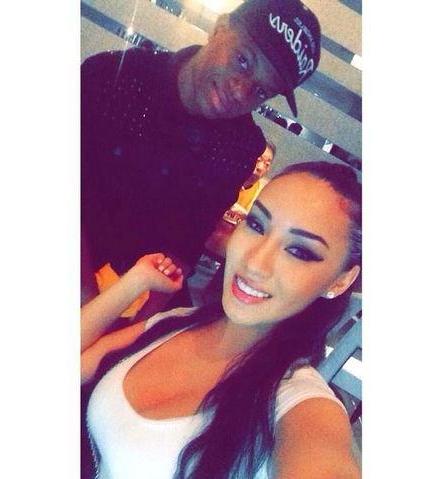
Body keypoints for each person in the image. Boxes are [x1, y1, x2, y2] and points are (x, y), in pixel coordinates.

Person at [81, 161, 362, 479]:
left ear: (340, 280)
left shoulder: (298, 404)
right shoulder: (176, 323)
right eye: (256, 225)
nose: (255, 262)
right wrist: (134, 283)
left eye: (299, 251)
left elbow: (326, 478)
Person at [81, 0, 322, 315]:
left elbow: (183, 248)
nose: (241, 91)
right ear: (220, 28)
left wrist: (139, 328)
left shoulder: (241, 146)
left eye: (262, 91)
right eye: (242, 60)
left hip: (134, 290)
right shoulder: (113, 76)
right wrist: (90, 305)